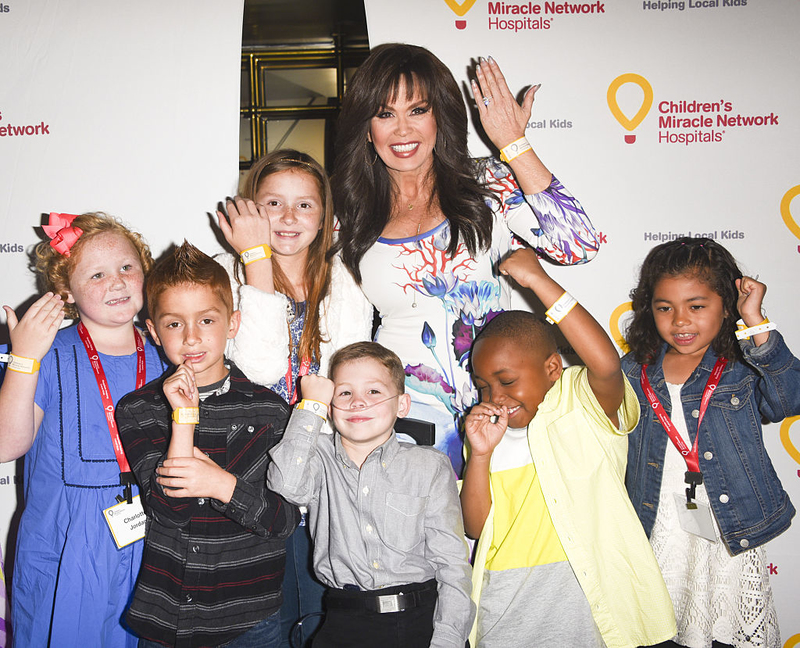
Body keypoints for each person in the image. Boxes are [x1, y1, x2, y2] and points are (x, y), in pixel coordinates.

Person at [332, 44, 600, 473]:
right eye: (385, 114)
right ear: (366, 128)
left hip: (504, 408)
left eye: (417, 110)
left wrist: (514, 143)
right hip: (404, 424)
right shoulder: (346, 216)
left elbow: (577, 245)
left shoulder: (487, 184)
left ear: (440, 115)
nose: (402, 130)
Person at [461, 248, 676, 648]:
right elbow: (475, 526)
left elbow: (607, 365)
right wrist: (481, 456)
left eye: (507, 381)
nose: (495, 396)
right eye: (484, 385)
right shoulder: (485, 437)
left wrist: (539, 281)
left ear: (552, 369)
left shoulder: (579, 403)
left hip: (584, 598)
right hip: (505, 603)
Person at [215, 149, 372, 646]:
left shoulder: (344, 277)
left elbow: (347, 384)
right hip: (247, 475)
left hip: (322, 480)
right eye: (272, 204)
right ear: (248, 210)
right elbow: (258, 369)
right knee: (263, 626)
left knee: (325, 621)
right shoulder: (222, 274)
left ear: (326, 216)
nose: (287, 218)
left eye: (305, 205)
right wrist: (256, 261)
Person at [116, 242, 300, 648]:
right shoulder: (139, 410)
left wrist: (220, 484)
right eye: (174, 324)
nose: (192, 337)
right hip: (169, 619)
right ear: (152, 330)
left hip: (250, 617)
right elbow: (169, 511)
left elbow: (283, 521)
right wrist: (183, 418)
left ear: (232, 323)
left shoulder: (269, 410)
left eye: (207, 320)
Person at [623, 237, 799, 648]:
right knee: (660, 629)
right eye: (665, 307)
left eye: (696, 306)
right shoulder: (635, 369)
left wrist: (754, 321)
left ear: (727, 303)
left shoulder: (740, 366)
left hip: (725, 527)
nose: (680, 321)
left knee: (721, 629)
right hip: (658, 520)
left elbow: (789, 398)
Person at [0, 212, 164, 647]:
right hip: (65, 548)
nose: (117, 281)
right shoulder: (47, 354)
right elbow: (6, 445)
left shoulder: (169, 356)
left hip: (153, 546)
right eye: (96, 274)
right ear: (66, 292)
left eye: (128, 267)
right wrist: (24, 359)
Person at [267, 342, 474, 648]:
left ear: (402, 405)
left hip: (422, 621)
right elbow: (285, 484)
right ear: (330, 404)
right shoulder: (317, 458)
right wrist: (310, 406)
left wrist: (448, 641)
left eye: (374, 392)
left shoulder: (429, 466)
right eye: (344, 392)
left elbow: (452, 565)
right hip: (345, 621)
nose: (357, 402)